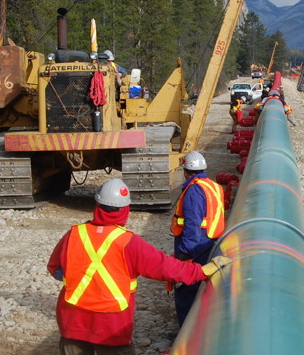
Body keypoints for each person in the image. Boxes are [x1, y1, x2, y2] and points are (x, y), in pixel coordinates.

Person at [48, 179, 231, 355]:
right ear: (125, 210)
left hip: (72, 321)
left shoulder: (73, 234)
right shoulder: (128, 242)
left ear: (97, 205)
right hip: (111, 326)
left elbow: (55, 268)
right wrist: (201, 271)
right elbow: (166, 267)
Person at [170, 151, 225, 326]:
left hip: (195, 249)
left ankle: (186, 335)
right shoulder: (213, 186)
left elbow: (192, 224)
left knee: (186, 291)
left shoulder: (194, 190)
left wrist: (184, 254)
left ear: (185, 171)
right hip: (211, 244)